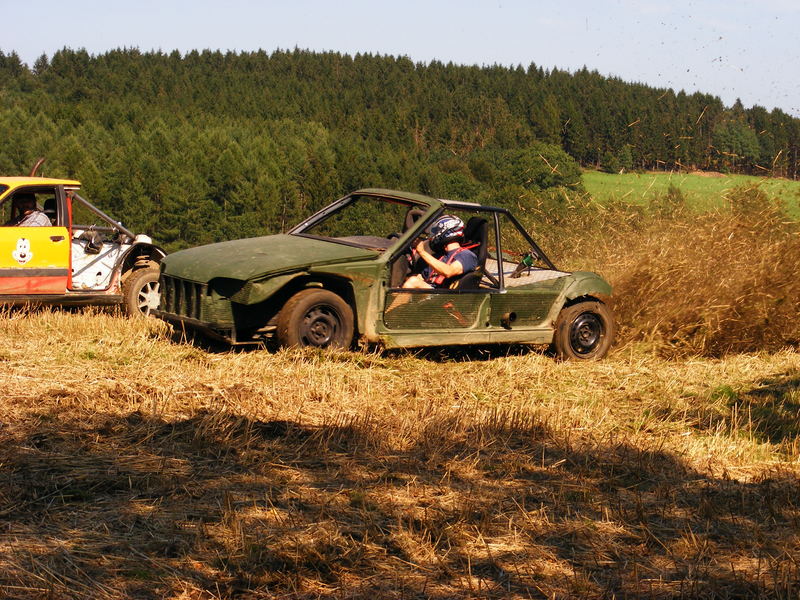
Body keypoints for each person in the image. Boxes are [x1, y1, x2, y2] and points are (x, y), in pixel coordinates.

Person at [402, 215, 478, 289]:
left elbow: (448, 271)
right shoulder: (439, 257)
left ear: (447, 231)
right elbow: (421, 277)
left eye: (436, 231)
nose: (433, 236)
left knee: (413, 282)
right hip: (431, 295)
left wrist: (422, 252)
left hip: (446, 298)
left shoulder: (467, 255)